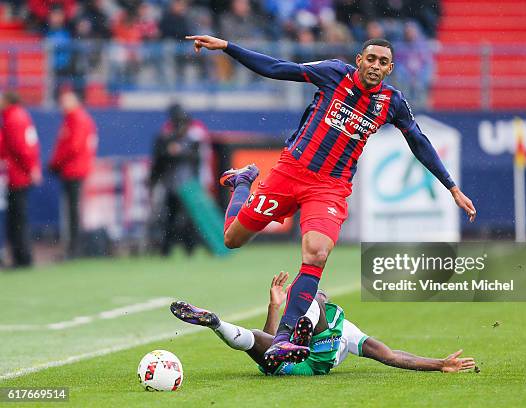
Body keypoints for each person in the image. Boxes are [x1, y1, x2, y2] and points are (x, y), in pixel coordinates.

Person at [185, 34, 476, 369]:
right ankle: (243, 182)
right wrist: (229, 47)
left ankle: (283, 338)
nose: (375, 66)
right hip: (290, 172)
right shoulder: (333, 73)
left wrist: (451, 187)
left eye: (383, 62)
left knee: (317, 252)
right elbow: (278, 68)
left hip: (330, 188)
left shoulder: (392, 102)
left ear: (390, 68)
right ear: (359, 60)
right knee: (232, 240)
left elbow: (419, 142)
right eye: (371, 59)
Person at [171, 271, 476, 375]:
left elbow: (393, 356)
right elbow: (391, 355)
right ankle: (215, 322)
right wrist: (274, 306)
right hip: (293, 362)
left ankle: (218, 325)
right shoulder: (347, 328)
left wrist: (438, 364)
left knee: (254, 338)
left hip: (291, 358)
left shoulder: (343, 327)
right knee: (262, 338)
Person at [149, 104, 203, 256]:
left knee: (186, 220)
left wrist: (177, 152)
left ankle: (187, 249)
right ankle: (168, 249)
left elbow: (196, 162)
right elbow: (159, 161)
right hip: (173, 185)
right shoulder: (165, 140)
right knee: (172, 219)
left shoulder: (192, 141)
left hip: (186, 186)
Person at [49, 90, 98, 258]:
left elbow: (73, 147)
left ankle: (74, 249)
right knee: (72, 210)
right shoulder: (75, 119)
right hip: (73, 169)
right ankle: (73, 248)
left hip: (74, 170)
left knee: (72, 211)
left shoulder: (76, 119)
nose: (62, 106)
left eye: (65, 101)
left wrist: (56, 163)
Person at [0, 92, 42, 268]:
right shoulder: (18, 116)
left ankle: (23, 258)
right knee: (17, 218)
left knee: (18, 219)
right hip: (19, 174)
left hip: (17, 176)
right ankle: (21, 257)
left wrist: (30, 168)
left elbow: (22, 149)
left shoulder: (14, 119)